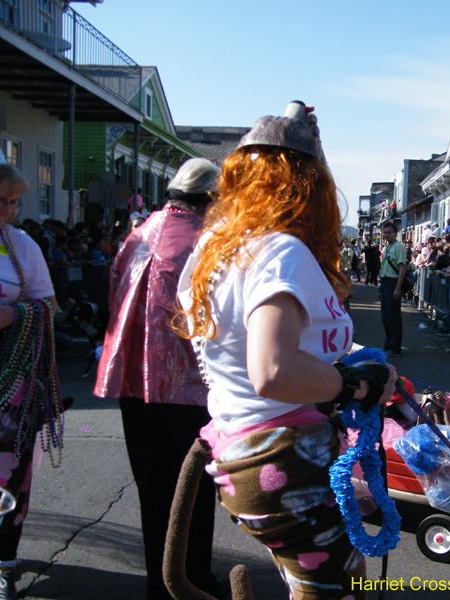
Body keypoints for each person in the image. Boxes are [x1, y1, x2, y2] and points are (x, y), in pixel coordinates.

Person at [176, 104, 397, 600]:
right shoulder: (279, 251)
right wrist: (352, 384)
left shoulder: (217, 244)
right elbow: (272, 370)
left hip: (241, 454)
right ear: (307, 187)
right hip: (280, 457)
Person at [94, 158, 224, 600]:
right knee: (193, 491)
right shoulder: (206, 241)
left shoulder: (138, 234)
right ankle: (193, 581)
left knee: (154, 491)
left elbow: (113, 297)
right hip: (189, 387)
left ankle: (161, 582)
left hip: (134, 383)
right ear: (211, 197)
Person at [0, 165, 63, 599]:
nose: (7, 210)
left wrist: (13, 315)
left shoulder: (22, 246)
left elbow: (49, 305)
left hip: (12, 383)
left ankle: (2, 562)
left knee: (7, 471)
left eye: (13, 202)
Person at [379, 221, 406, 357]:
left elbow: (402, 268)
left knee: (394, 316)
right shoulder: (387, 248)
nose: (387, 235)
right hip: (384, 283)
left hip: (392, 282)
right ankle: (388, 343)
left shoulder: (398, 247)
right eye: (385, 232)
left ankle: (395, 347)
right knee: (386, 316)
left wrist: (397, 288)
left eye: (389, 232)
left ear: (395, 233)